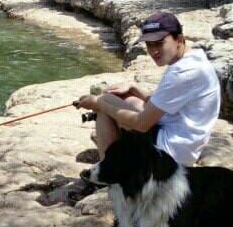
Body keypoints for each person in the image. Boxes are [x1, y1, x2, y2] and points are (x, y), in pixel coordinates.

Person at [76, 11, 220, 167]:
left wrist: (99, 104)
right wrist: (134, 89)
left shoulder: (182, 73)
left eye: (159, 43)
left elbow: (141, 124)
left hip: (171, 152)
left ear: (178, 39)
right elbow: (161, 107)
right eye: (149, 45)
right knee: (128, 99)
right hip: (182, 142)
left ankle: (110, 173)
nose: (153, 51)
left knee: (105, 101)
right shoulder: (193, 58)